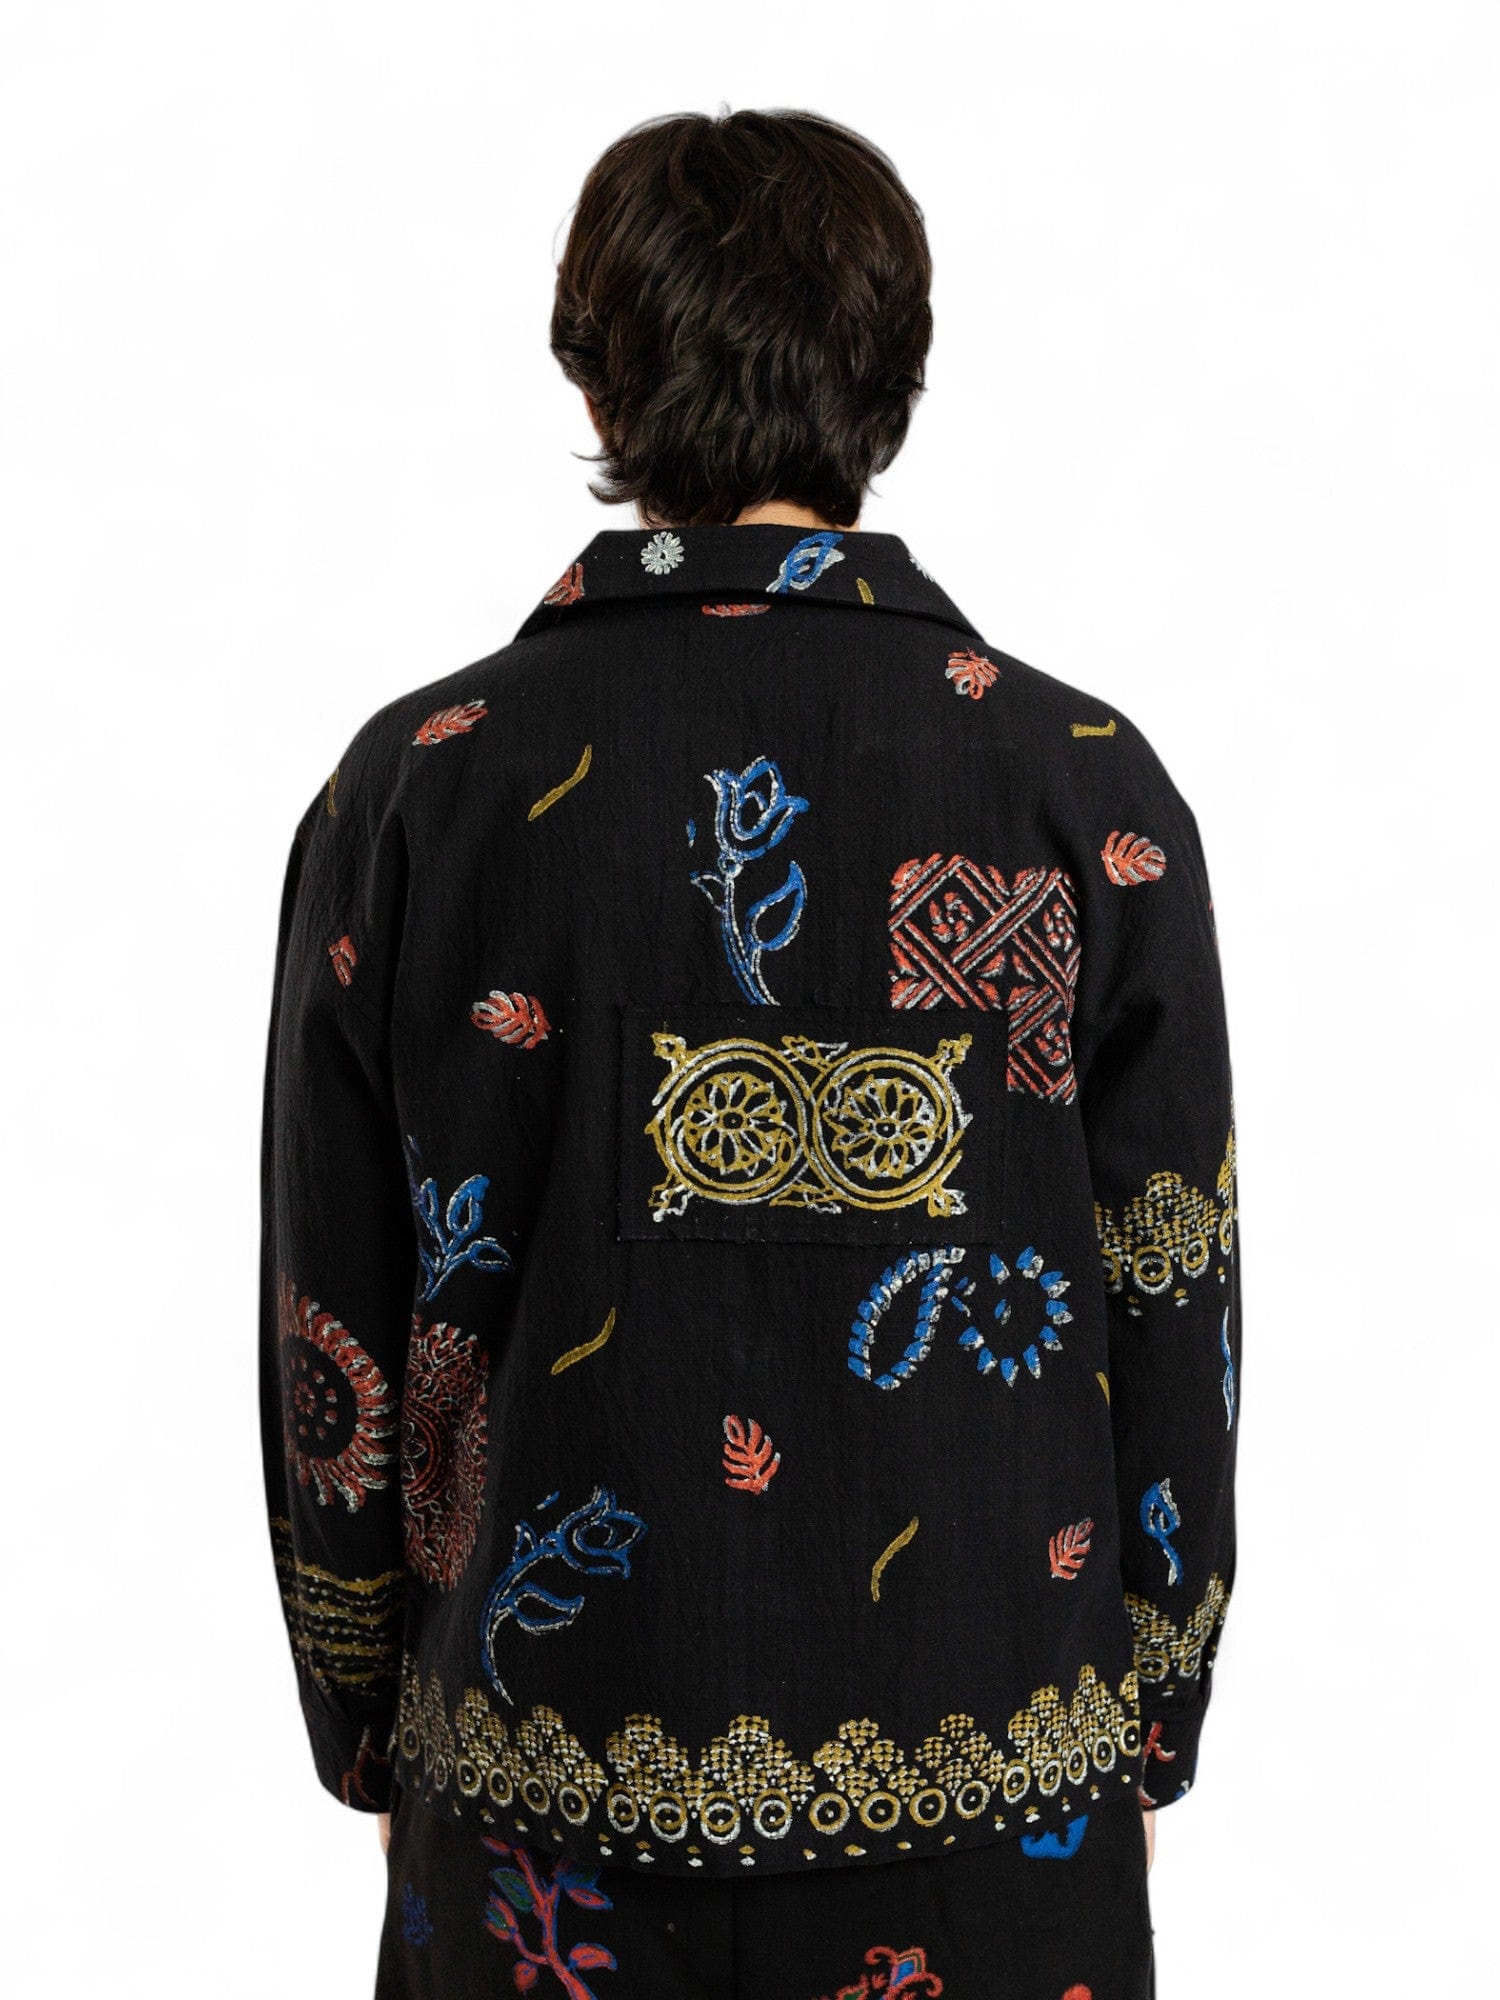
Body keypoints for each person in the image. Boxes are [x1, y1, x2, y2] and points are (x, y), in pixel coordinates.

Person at [259, 107, 1241, 2000]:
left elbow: (335, 1322)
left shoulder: (421, 789)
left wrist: (367, 1720)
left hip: (532, 1832)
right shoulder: (1082, 789)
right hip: (1004, 1824)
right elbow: (1173, 1286)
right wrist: (1155, 1711)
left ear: (592, 371)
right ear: (895, 382)